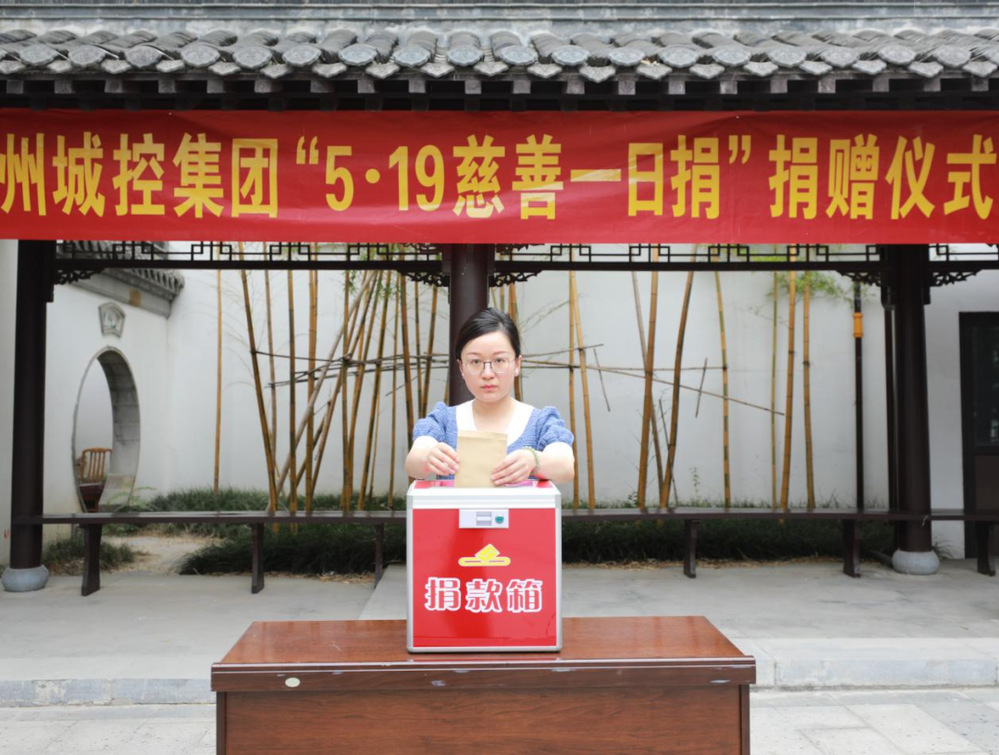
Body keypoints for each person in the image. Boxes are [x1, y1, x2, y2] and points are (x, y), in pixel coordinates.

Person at [405, 308, 575, 485]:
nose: (487, 374)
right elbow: (414, 463)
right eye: (475, 362)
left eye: (499, 360)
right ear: (461, 367)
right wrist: (428, 456)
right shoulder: (444, 420)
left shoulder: (540, 422)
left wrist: (534, 459)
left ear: (517, 364)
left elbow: (565, 467)